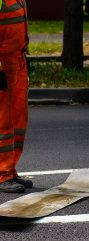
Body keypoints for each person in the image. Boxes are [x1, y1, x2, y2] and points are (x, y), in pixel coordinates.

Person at [0, 0, 32, 193]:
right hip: (3, 62)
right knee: (3, 121)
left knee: (18, 119)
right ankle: (2, 174)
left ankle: (10, 170)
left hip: (17, 59)